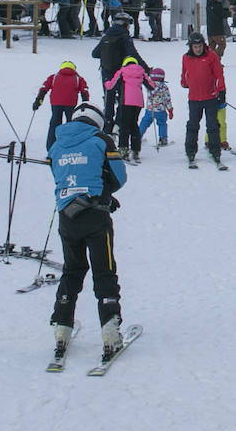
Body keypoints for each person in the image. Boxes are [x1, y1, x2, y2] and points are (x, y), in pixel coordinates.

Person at [48, 104, 128, 363]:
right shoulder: (101, 140)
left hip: (66, 215)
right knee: (104, 270)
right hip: (95, 216)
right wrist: (104, 192)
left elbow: (57, 173)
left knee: (72, 269)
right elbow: (119, 177)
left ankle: (61, 326)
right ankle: (110, 331)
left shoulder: (57, 142)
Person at [181, 31, 227, 171]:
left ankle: (215, 152)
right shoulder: (186, 58)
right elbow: (184, 73)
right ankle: (190, 151)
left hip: (210, 97)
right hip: (194, 98)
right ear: (191, 47)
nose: (198, 49)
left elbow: (219, 74)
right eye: (195, 47)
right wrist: (184, 82)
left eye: (200, 46)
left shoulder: (211, 56)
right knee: (192, 125)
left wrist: (222, 91)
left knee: (213, 126)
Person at [91, 12, 143, 134]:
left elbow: (94, 54)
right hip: (121, 74)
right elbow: (133, 54)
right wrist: (145, 68)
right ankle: (119, 125)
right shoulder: (125, 37)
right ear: (126, 24)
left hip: (106, 73)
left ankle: (107, 125)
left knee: (109, 99)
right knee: (122, 99)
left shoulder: (106, 36)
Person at [104, 56, 152, 164]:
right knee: (134, 125)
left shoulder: (122, 71)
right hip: (138, 103)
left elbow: (112, 85)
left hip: (126, 101)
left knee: (124, 125)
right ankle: (136, 150)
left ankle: (123, 149)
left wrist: (106, 83)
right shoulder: (141, 72)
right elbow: (151, 85)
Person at [34, 61, 91, 149]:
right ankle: (69, 146)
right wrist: (85, 103)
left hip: (56, 103)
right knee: (71, 125)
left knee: (55, 123)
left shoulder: (54, 77)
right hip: (71, 104)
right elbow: (84, 91)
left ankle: (51, 147)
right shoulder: (78, 78)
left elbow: (44, 88)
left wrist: (38, 100)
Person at [137, 67, 172, 152]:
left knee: (144, 123)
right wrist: (170, 110)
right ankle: (163, 139)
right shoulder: (164, 87)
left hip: (150, 109)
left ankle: (138, 137)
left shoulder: (149, 85)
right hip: (161, 111)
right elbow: (167, 99)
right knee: (162, 123)